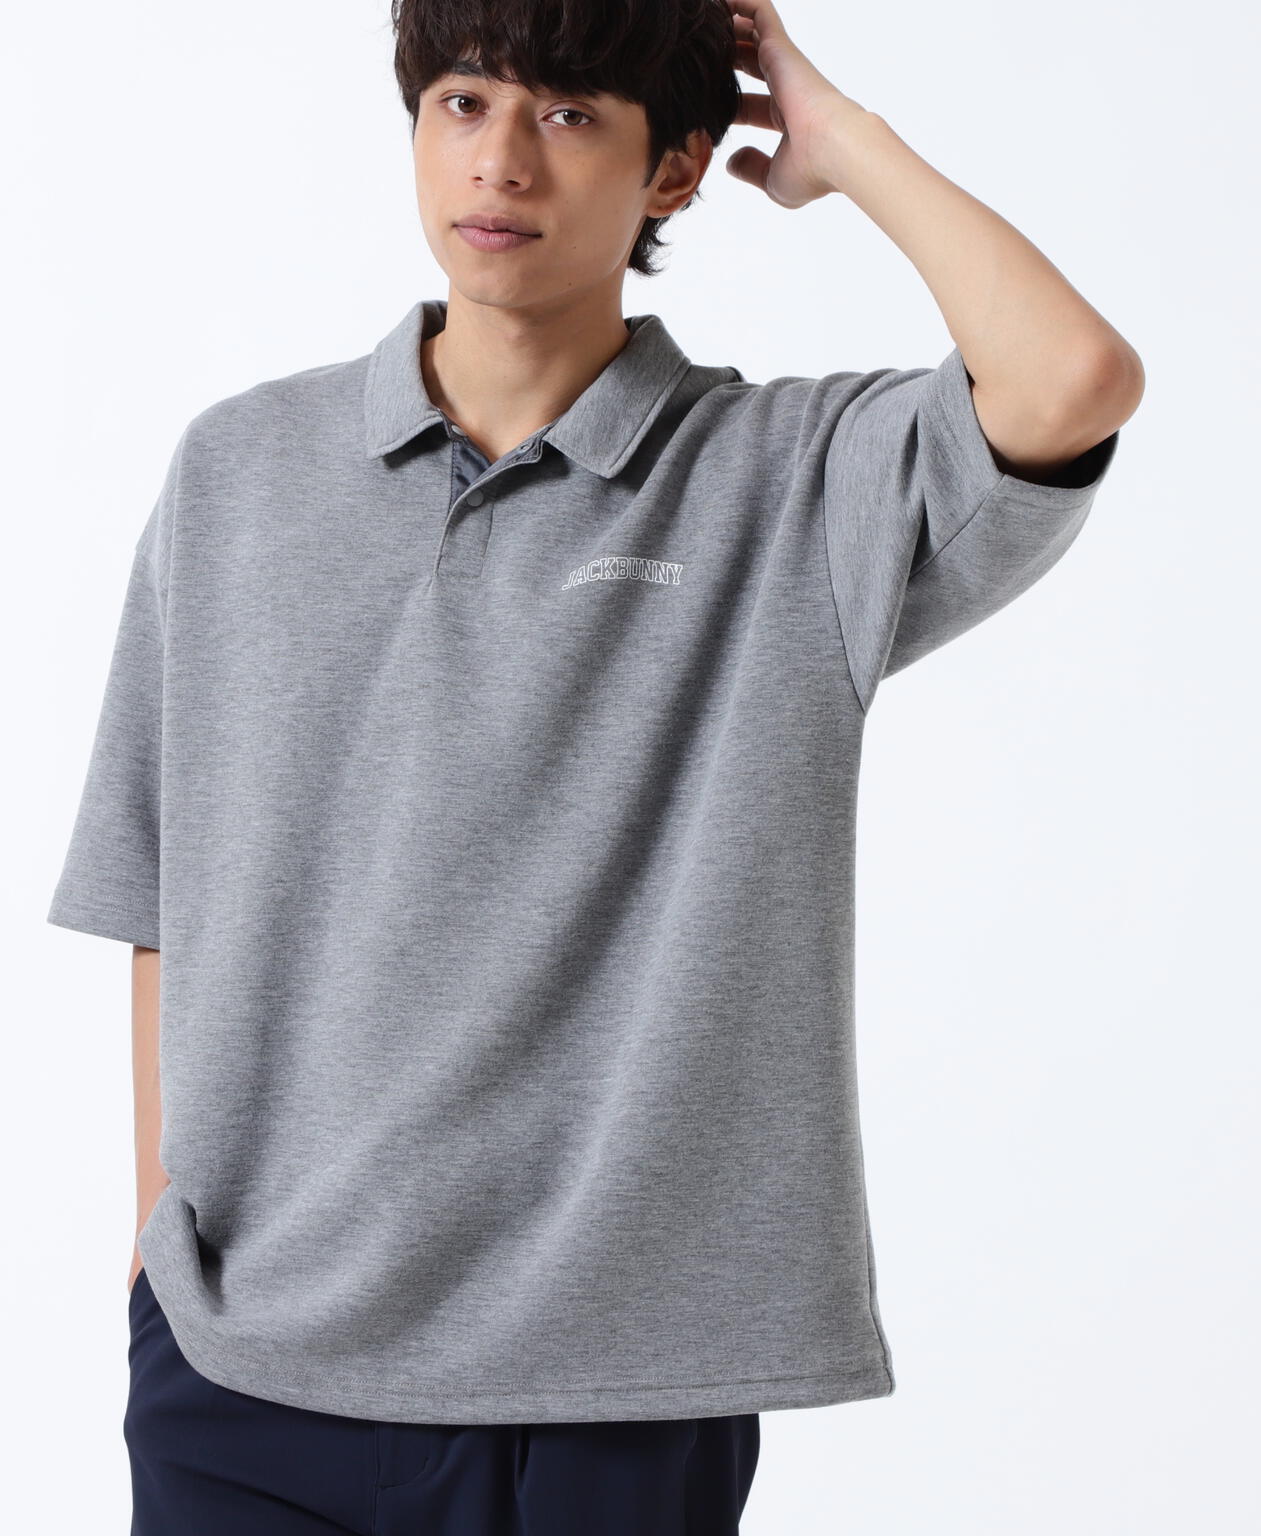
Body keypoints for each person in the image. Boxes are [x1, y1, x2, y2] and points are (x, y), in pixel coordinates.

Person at [46, 1, 1143, 1531]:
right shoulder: (240, 468)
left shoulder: (790, 481)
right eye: (465, 102)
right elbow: (157, 878)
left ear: (676, 170)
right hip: (244, 1365)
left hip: (615, 1394)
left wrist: (846, 145)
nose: (500, 161)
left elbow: (1070, 380)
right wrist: (157, 1246)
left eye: (568, 115)